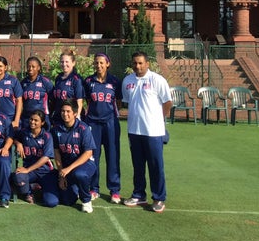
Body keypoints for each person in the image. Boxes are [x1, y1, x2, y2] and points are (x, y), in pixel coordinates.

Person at [121, 51, 172, 213]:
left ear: (147, 64)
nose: (138, 66)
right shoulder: (127, 81)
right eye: (135, 63)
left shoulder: (157, 80)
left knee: (156, 166)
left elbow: (167, 102)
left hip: (153, 132)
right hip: (134, 131)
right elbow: (128, 103)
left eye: (141, 63)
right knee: (138, 165)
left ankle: (158, 198)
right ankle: (138, 194)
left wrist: (158, 120)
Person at [83, 53, 123, 203]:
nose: (98, 66)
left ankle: (114, 190)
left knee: (112, 156)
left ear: (108, 64)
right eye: (96, 63)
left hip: (110, 123)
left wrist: (110, 115)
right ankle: (94, 188)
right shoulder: (88, 81)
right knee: (93, 156)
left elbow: (118, 102)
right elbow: (87, 101)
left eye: (101, 63)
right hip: (93, 123)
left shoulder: (115, 81)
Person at [51, 99, 97, 213]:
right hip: (67, 167)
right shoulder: (56, 129)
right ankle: (76, 189)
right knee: (67, 200)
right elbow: (57, 153)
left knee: (79, 174)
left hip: (85, 164)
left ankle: (86, 200)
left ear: (75, 113)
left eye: (68, 111)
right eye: (62, 111)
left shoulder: (83, 128)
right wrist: (61, 175)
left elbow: (88, 153)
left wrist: (69, 169)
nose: (64, 114)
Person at [14, 110, 58, 207]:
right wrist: (18, 143)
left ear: (42, 123)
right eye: (31, 119)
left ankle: (40, 188)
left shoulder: (47, 136)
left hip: (46, 172)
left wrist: (27, 169)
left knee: (51, 202)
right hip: (30, 171)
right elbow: (14, 138)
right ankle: (29, 191)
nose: (32, 122)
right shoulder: (24, 132)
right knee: (18, 177)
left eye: (36, 120)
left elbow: (46, 157)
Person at [19, 56, 54, 129]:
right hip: (27, 118)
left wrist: (48, 112)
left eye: (33, 66)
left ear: (38, 68)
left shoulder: (45, 82)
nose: (30, 68)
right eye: (28, 66)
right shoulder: (23, 83)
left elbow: (53, 99)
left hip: (42, 117)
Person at [51, 50, 85, 124]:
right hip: (59, 116)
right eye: (62, 62)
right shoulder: (58, 78)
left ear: (73, 63)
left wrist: (77, 116)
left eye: (67, 62)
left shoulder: (77, 79)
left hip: (70, 118)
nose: (64, 64)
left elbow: (79, 100)